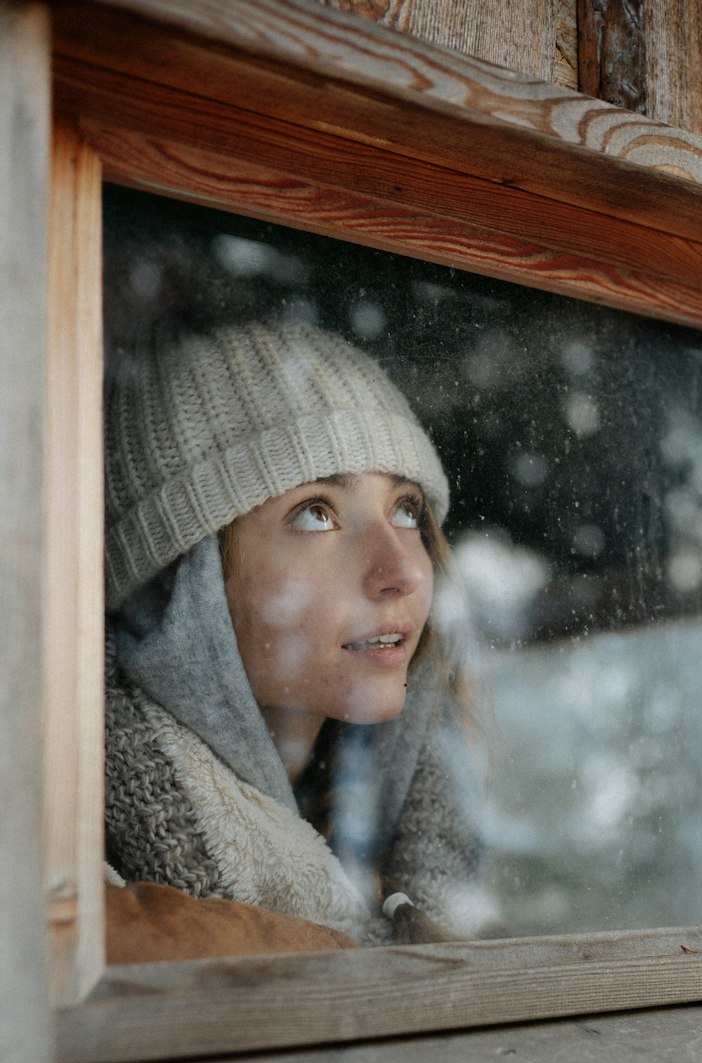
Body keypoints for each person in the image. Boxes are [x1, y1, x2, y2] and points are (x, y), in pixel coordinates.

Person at [102, 318, 482, 961]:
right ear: (184, 587)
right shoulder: (63, 856)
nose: (404, 571)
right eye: (317, 513)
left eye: (406, 509)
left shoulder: (430, 838)